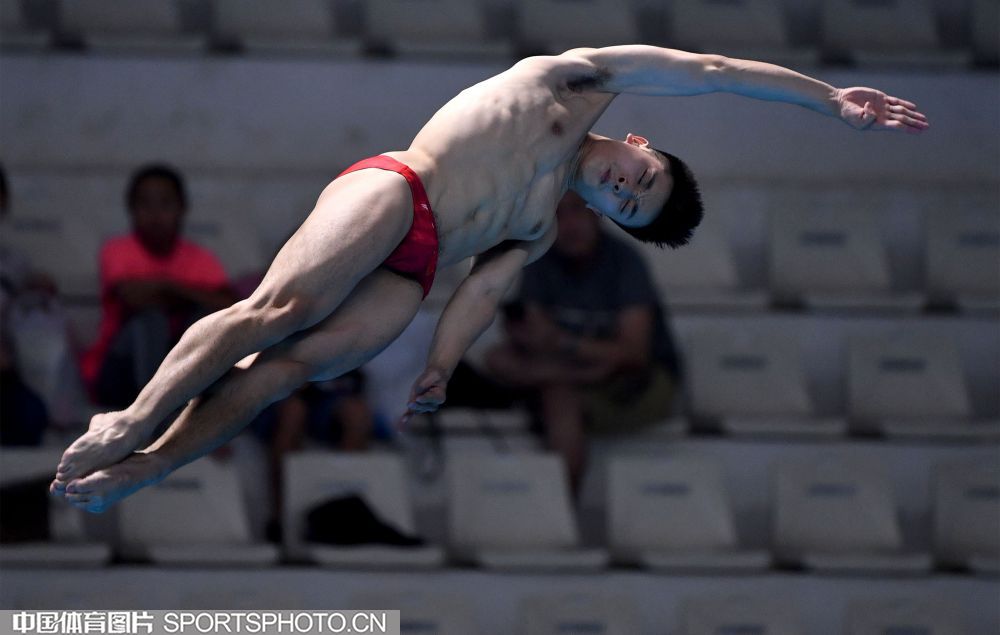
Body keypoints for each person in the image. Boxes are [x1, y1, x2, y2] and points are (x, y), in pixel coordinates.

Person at [50, 45, 928, 513]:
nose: (624, 188)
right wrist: (827, 100)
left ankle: (150, 466)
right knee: (277, 311)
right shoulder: (577, 79)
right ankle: (131, 418)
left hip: (418, 269)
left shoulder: (539, 227)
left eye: (628, 206)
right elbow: (713, 74)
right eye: (642, 177)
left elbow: (479, 290)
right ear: (642, 144)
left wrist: (440, 361)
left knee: (286, 373)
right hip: (399, 187)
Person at [485, 191, 681, 494]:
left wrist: (561, 342)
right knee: (497, 358)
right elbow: (534, 338)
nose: (569, 224)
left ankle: (561, 505)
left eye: (577, 210)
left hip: (633, 380)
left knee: (559, 398)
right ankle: (570, 379)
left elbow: (634, 354)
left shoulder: (625, 262)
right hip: (576, 370)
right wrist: (529, 337)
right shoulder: (540, 260)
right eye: (558, 215)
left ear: (598, 214)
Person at [80, 164, 236, 409]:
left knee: (204, 320)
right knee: (150, 321)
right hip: (120, 372)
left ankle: (195, 408)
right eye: (145, 204)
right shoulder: (117, 250)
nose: (155, 214)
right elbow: (133, 298)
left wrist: (166, 286)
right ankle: (153, 412)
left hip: (177, 369)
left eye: (165, 203)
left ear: (182, 208)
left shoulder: (200, 257)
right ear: (131, 209)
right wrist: (191, 294)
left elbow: (229, 306)